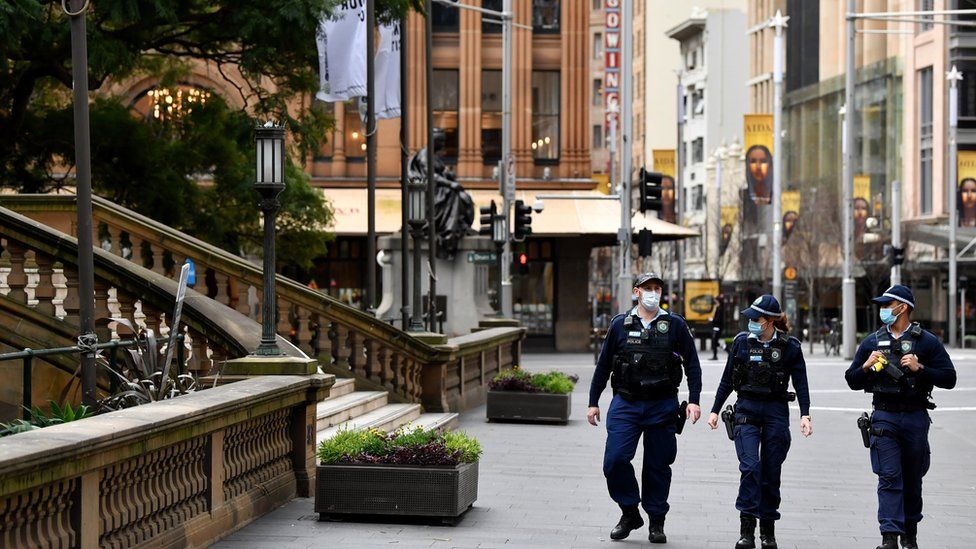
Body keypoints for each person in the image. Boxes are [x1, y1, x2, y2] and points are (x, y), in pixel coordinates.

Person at [587, 273, 703, 544]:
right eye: (647, 289)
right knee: (614, 461)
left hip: (662, 405)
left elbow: (693, 364)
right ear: (636, 292)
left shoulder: (674, 325)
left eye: (657, 289)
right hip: (626, 402)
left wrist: (694, 399)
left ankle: (656, 521)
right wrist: (593, 402)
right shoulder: (620, 325)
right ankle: (629, 512)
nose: (653, 293)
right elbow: (603, 366)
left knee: (657, 466)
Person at [845, 285, 956, 549]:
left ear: (902, 307)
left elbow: (950, 378)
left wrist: (922, 368)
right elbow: (852, 380)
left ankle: (910, 535)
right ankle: (889, 537)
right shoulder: (872, 341)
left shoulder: (926, 341)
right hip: (883, 417)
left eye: (887, 304)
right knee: (889, 476)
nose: (883, 309)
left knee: (912, 479)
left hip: (915, 417)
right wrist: (865, 366)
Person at [707, 295, 812, 549]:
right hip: (747, 411)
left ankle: (768, 530)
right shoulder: (742, 343)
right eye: (750, 318)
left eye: (756, 318)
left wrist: (805, 415)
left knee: (771, 473)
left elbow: (801, 383)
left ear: (770, 321)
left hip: (776, 412)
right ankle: (746, 530)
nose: (751, 322)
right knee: (751, 467)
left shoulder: (791, 347)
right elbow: (727, 380)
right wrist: (714, 410)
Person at [709, 294, 726, 360]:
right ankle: (716, 354)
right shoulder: (718, 307)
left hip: (718, 327)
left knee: (715, 341)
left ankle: (725, 349)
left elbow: (718, 319)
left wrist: (712, 320)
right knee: (715, 341)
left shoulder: (720, 308)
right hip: (717, 326)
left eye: (715, 300)